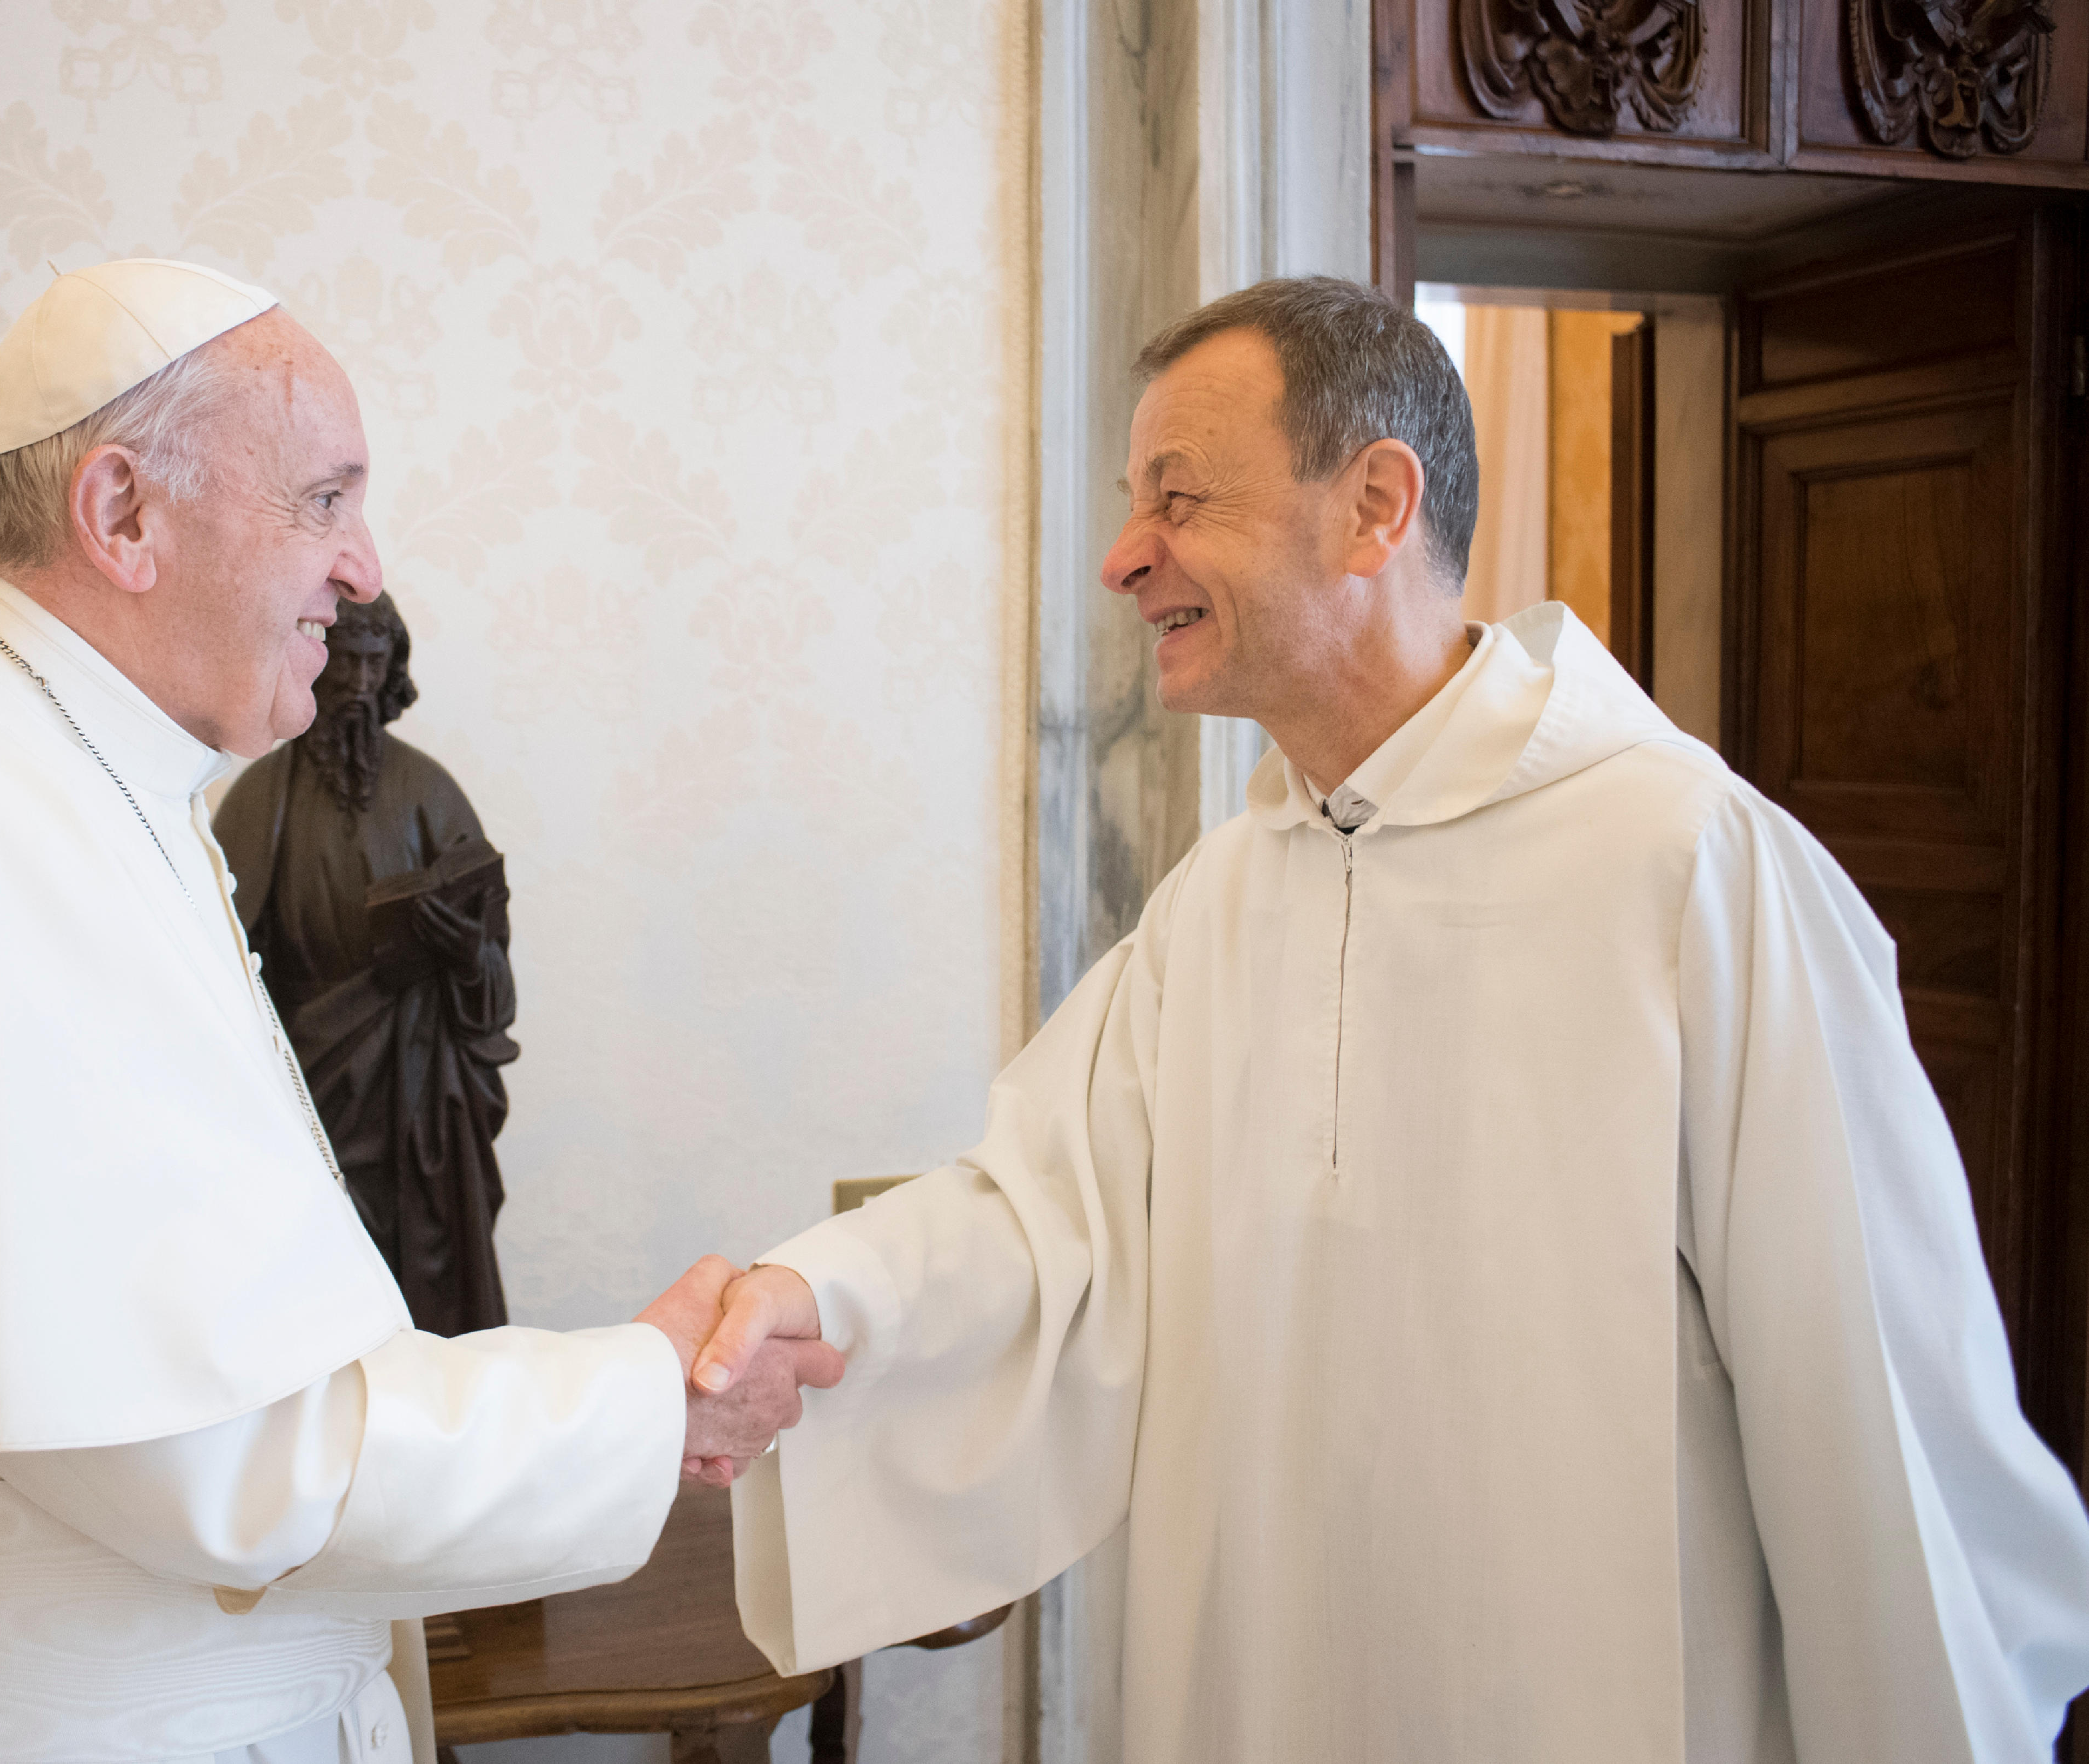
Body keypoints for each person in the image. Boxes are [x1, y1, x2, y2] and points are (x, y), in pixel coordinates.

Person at [691, 276, 2089, 1762]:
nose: (1123, 556)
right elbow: (1043, 1220)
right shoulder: (1221, 897)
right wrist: (814, 1295)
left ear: (1372, 507)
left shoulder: (1689, 866)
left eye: (1177, 496)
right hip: (1261, 1689)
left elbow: (1869, 1398)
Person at [0, 258, 838, 1764]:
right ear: (122, 514)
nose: (363, 568)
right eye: (324, 500)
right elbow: (228, 1458)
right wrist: (650, 1403)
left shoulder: (27, 762)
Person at [216, 591, 518, 1337]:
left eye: (373, 665)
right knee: (319, 1294)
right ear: (315, 665)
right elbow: (219, 965)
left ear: (392, 673)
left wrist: (464, 955)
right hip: (307, 1085)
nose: (356, 685)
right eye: (344, 663)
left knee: (429, 1296)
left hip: (420, 1094)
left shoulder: (430, 793)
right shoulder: (263, 799)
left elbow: (491, 973)